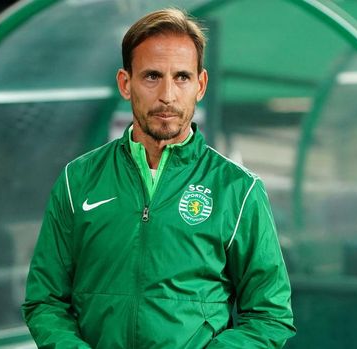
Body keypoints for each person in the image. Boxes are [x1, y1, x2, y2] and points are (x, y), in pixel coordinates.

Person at [22, 8, 295, 348]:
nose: (167, 94)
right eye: (152, 76)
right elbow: (45, 300)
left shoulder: (238, 190)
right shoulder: (77, 180)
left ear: (200, 84)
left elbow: (270, 315)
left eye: (181, 77)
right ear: (126, 83)